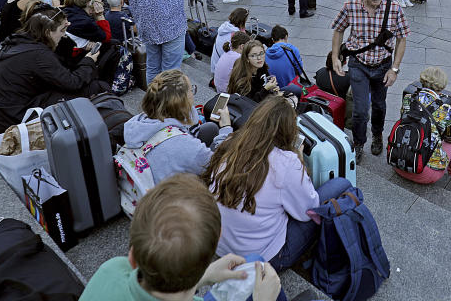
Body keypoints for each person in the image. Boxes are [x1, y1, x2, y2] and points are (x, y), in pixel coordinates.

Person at [79, 173, 283, 301]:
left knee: (254, 264)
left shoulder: (110, 271)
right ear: (218, 239)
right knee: (258, 266)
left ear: (132, 257)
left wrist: (205, 276)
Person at [208, 96, 351, 271]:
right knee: (341, 184)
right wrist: (299, 164)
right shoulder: (287, 162)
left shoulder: (232, 142)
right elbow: (307, 212)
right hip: (261, 260)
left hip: (220, 246)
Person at [0, 7, 105, 133]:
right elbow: (73, 83)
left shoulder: (19, 42)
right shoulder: (38, 54)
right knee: (96, 87)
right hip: (13, 119)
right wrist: (89, 61)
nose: (64, 35)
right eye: (62, 30)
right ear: (47, 32)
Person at [331, 0, 410, 164]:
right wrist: (335, 57)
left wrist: (395, 69)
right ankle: (358, 143)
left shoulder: (394, 9)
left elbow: (402, 39)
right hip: (359, 64)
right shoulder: (350, 6)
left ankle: (377, 134)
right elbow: (338, 30)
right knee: (360, 109)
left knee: (379, 105)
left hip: (383, 65)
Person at [122, 69, 232, 182]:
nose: (193, 95)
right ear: (182, 101)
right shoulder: (187, 146)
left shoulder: (138, 120)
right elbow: (219, 167)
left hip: (141, 186)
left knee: (210, 128)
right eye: (191, 90)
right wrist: (225, 128)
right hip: (164, 196)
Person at [392, 67, 451, 184]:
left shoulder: (408, 98)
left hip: (398, 164)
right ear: (442, 87)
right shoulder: (444, 108)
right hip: (425, 175)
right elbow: (450, 138)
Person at [264, 25, 306, 92]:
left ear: (272, 39)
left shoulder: (266, 53)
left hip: (273, 88)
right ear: (286, 37)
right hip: (290, 87)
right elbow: (299, 70)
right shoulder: (292, 50)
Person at [211, 7, 248, 73]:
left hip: (215, 65)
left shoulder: (225, 27)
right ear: (242, 21)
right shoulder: (235, 34)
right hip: (224, 70)